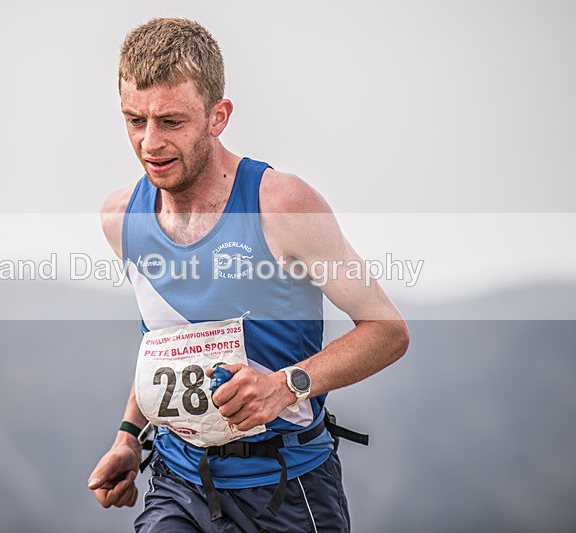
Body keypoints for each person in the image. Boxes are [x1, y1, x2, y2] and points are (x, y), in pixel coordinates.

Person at [88, 18, 409, 532]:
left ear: (218, 117)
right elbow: (167, 339)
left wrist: (287, 386)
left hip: (290, 485)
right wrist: (129, 436)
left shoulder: (281, 206)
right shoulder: (121, 219)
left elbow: (388, 331)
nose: (150, 143)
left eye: (171, 122)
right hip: (179, 481)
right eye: (134, 120)